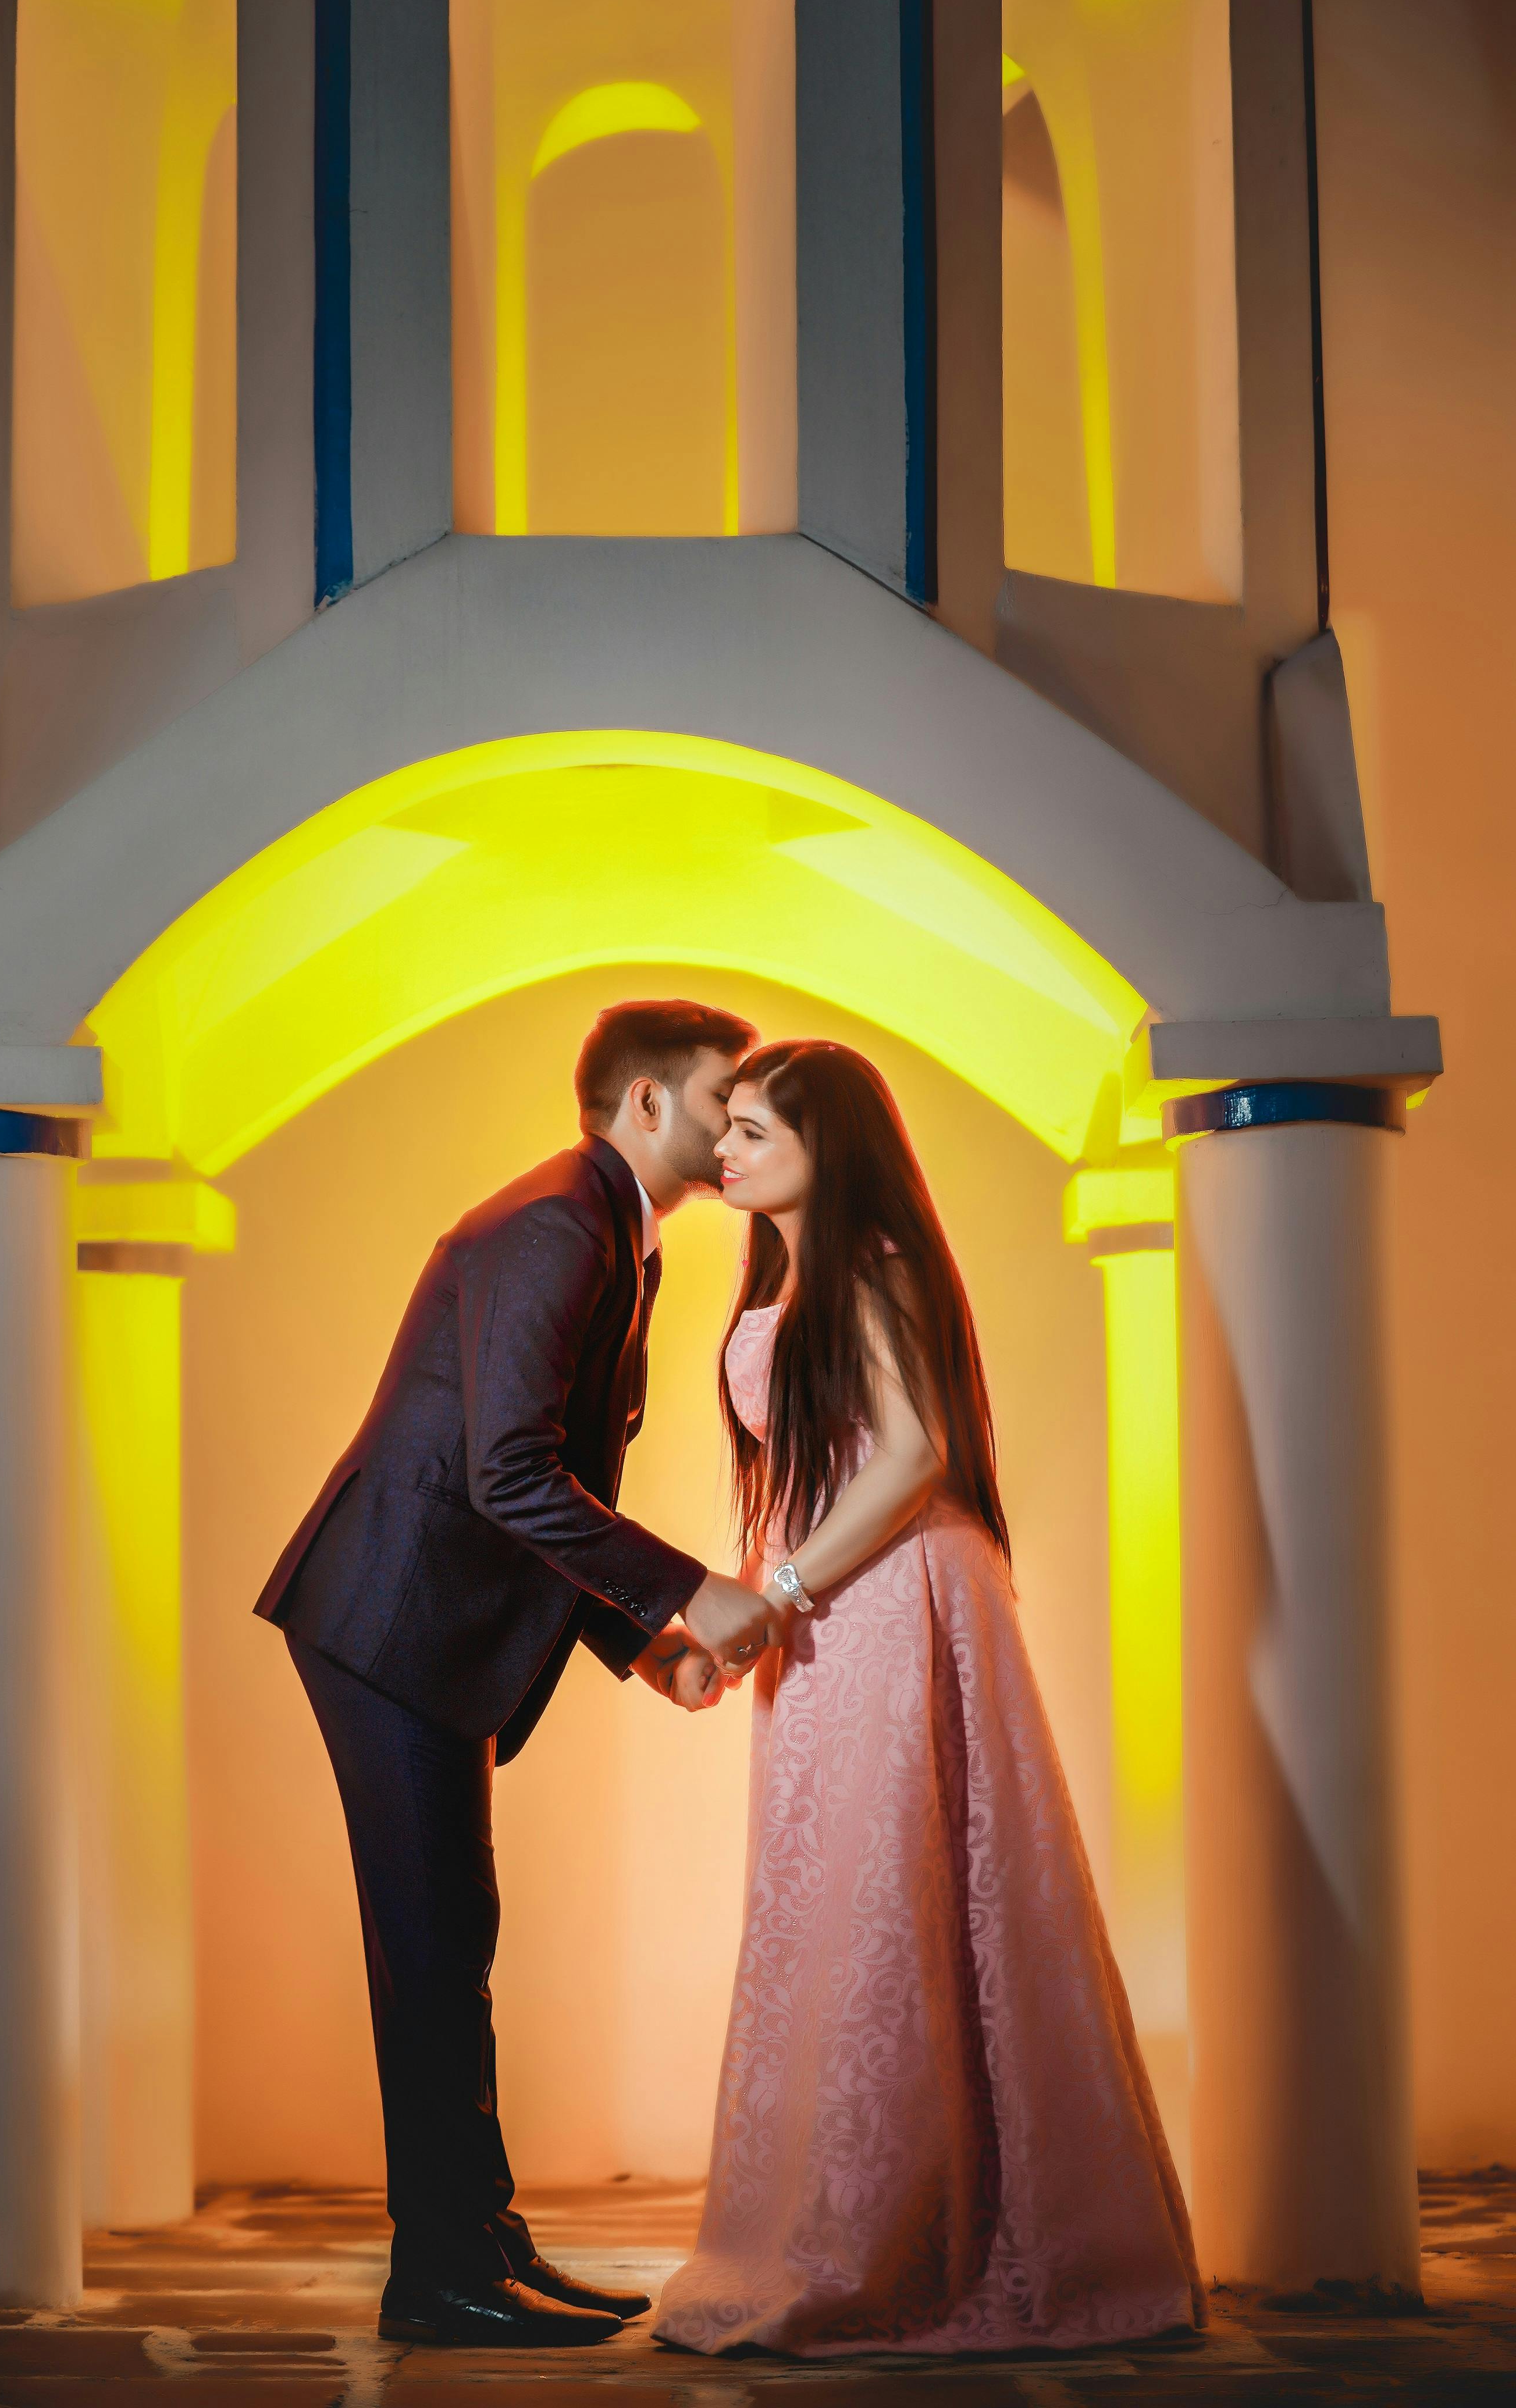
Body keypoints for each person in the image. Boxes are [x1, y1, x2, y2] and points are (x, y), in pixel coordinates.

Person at [656, 1039, 1204, 2358]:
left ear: (826, 1145)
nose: (724, 1149)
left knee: (905, 1900)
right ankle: (847, 2216)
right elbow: (814, 1479)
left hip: (898, 1605)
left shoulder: (872, 1265)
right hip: (838, 1609)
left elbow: (911, 1452)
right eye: (723, 1127)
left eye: (753, 1130)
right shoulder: (799, 1274)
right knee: (851, 1902)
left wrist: (771, 1600)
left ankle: (914, 2238)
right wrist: (729, 1626)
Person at [255, 999, 778, 2350]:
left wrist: (637, 1641)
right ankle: (437, 2272)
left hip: (425, 1619)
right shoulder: (563, 1220)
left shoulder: (613, 1229)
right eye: (726, 1094)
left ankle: (481, 2238)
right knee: (431, 1943)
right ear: (647, 1104)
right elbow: (508, 1474)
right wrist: (687, 1590)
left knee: (454, 1934)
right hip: (388, 1618)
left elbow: (542, 1476)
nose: (740, 1120)